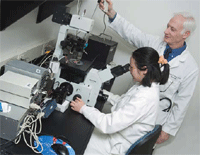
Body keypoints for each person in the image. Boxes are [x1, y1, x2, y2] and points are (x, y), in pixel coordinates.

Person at [99, 0, 199, 144]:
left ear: (186, 34)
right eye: (167, 26)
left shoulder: (190, 67)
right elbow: (133, 33)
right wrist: (113, 15)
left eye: (172, 29)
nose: (166, 31)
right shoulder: (154, 43)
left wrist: (167, 131)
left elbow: (182, 102)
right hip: (131, 106)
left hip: (153, 120)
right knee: (112, 141)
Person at [70, 47, 170, 155]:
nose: (130, 71)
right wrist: (104, 94)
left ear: (144, 69)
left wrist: (83, 109)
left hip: (115, 146)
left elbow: (109, 124)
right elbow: (124, 102)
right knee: (83, 128)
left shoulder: (145, 97)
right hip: (118, 136)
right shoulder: (145, 85)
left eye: (131, 67)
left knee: (75, 138)